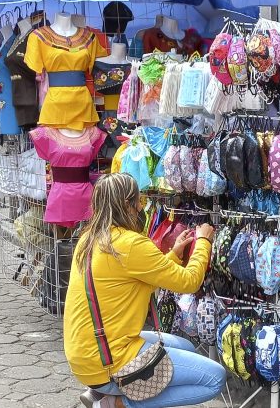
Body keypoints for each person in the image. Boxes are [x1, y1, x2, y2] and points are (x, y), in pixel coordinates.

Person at [63, 173, 226, 408]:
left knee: (186, 347)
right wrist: (204, 242)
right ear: (127, 205)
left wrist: (173, 255)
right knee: (214, 379)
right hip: (108, 360)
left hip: (85, 352)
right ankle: (118, 403)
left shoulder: (90, 238)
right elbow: (190, 281)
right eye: (138, 200)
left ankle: (102, 393)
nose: (141, 206)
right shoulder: (130, 243)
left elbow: (137, 278)